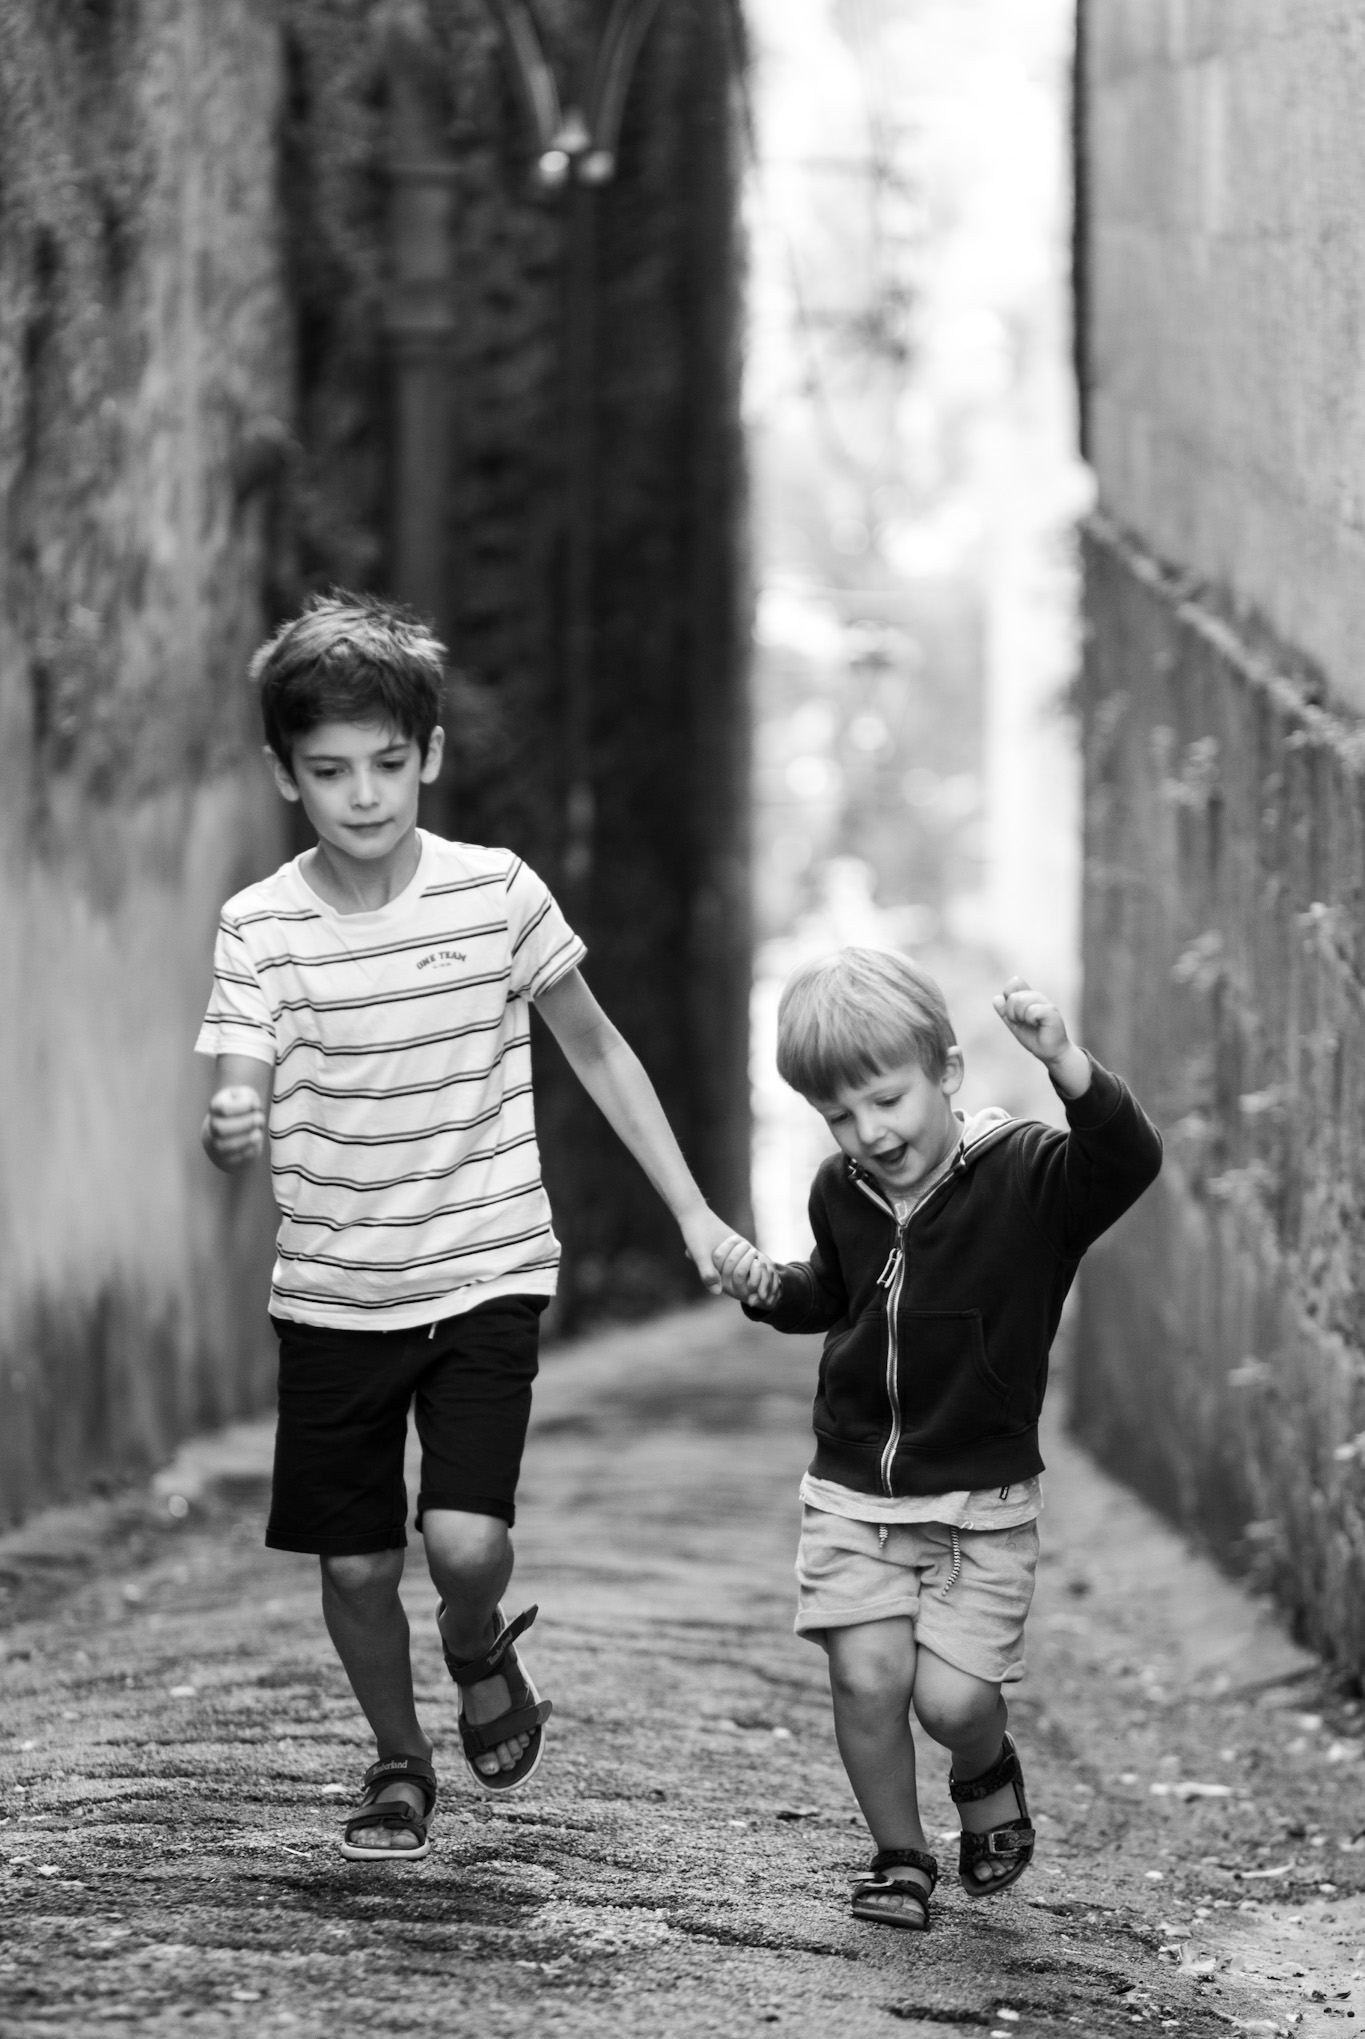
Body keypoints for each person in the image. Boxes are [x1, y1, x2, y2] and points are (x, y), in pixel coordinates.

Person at [197, 591, 739, 1862]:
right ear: (286, 774)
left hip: (485, 1264)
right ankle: (398, 1757)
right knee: (349, 1568)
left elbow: (599, 1053)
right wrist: (233, 1120)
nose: (365, 794)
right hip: (332, 1288)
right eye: (329, 770)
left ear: (429, 755)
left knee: (465, 1537)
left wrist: (695, 1211)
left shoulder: (496, 894)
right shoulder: (258, 924)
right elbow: (240, 1068)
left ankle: (475, 1631)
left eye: (389, 763)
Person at [713, 948, 1161, 1932]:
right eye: (839, 1114)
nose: (869, 1132)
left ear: (947, 1073)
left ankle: (983, 1765)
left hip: (982, 1504)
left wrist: (1065, 1060)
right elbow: (830, 1291)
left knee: (954, 1702)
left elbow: (1128, 1161)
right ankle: (901, 1852)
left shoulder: (1031, 1177)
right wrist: (769, 1287)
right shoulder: (843, 1187)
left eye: (885, 1098)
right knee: (866, 1675)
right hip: (852, 1496)